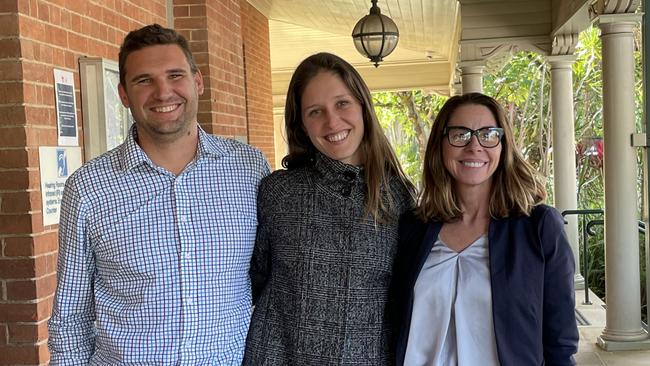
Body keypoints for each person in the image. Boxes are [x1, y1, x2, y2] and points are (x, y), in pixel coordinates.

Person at [48, 24, 270, 364]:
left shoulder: (248, 169)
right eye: (144, 80)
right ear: (123, 94)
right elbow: (70, 318)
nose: (163, 92)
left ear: (197, 82)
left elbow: (271, 277)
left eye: (175, 75)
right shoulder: (88, 187)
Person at [243, 52, 415, 365]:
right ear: (301, 125)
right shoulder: (278, 192)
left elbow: (405, 302)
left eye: (342, 103)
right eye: (315, 111)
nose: (332, 121)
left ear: (363, 105)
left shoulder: (399, 198)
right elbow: (250, 282)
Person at [392, 93, 578, 366]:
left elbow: (560, 344)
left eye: (488, 134)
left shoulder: (538, 228)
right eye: (460, 134)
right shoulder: (413, 228)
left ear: (503, 146)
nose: (474, 146)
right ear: (440, 145)